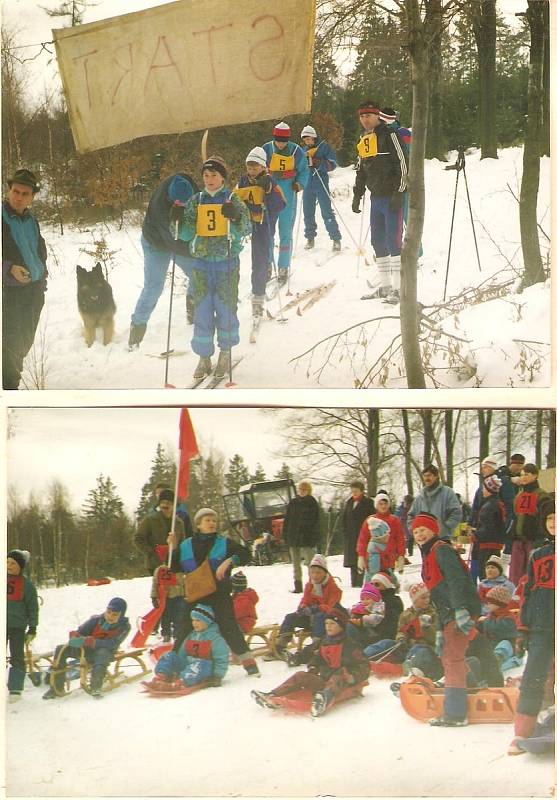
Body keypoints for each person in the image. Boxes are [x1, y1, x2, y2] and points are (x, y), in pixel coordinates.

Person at [177, 156, 251, 380]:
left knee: (226, 308)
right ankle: (204, 356)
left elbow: (246, 228)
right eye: (206, 176)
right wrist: (177, 220)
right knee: (202, 311)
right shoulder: (196, 200)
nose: (209, 180)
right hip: (201, 263)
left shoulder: (232, 199)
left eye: (214, 175)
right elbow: (185, 234)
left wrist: (236, 217)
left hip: (226, 262)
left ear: (222, 178)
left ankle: (226, 352)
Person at [169, 507, 260, 676]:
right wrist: (172, 547)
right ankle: (172, 665)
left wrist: (229, 561)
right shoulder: (186, 545)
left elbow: (246, 554)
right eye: (207, 520)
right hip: (196, 594)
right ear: (198, 524)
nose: (212, 523)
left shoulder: (223, 542)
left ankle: (249, 663)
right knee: (184, 627)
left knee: (228, 626)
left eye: (214, 520)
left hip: (219, 593)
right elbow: (172, 568)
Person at [411, 512, 481, 726]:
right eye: (415, 531)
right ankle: (468, 688)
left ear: (434, 530)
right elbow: (439, 597)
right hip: (449, 612)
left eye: (423, 529)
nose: (419, 534)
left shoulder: (441, 550)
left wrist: (461, 610)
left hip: (460, 610)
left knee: (452, 657)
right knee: (449, 655)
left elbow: (457, 580)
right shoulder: (428, 555)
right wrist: (440, 628)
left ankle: (455, 713)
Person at [251, 607, 370, 717]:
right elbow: (317, 659)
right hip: (325, 680)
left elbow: (365, 666)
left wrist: (352, 677)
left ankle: (323, 700)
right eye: (326, 623)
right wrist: (313, 667)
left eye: (332, 624)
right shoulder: (325, 641)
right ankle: (273, 695)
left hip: (344, 681)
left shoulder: (351, 645)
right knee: (300, 675)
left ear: (341, 626)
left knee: (337, 675)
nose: (328, 627)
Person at [128, 172, 197, 349]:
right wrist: (195, 249)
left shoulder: (188, 184)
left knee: (197, 273)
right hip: (156, 243)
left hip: (178, 237)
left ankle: (193, 309)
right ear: (171, 199)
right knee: (154, 286)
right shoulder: (161, 207)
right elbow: (175, 243)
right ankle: (137, 328)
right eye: (180, 204)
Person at [508, 494, 555, 755]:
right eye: (550, 517)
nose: (554, 522)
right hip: (541, 628)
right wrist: (523, 627)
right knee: (533, 677)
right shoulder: (539, 555)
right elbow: (527, 593)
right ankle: (522, 732)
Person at [351, 100, 408, 303]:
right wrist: (357, 194)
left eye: (369, 116)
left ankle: (399, 289)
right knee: (377, 241)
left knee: (394, 241)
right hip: (376, 198)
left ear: (377, 116)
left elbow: (402, 163)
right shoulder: (364, 138)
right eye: (362, 116)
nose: (365, 120)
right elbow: (361, 169)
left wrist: (399, 192)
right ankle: (385, 287)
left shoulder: (390, 135)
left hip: (391, 196)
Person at [2, 169, 48, 389]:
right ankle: (9, 391)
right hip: (9, 293)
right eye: (15, 191)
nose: (18, 197)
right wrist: (9, 269)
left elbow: (40, 250)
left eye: (24, 193)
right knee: (10, 343)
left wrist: (42, 279)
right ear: (8, 190)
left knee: (24, 342)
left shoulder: (31, 220)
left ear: (32, 197)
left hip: (34, 292)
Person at [234, 147, 286, 320]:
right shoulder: (243, 180)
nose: (251, 171)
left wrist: (270, 191)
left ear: (263, 167)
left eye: (255, 167)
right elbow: (235, 198)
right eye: (249, 167)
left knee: (259, 261)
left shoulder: (269, 180)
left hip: (263, 224)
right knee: (235, 256)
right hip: (245, 223)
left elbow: (281, 204)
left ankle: (258, 298)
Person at [43, 598, 130, 699]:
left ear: (121, 615)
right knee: (60, 649)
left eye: (114, 614)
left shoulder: (124, 627)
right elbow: (81, 631)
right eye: (108, 612)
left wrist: (93, 642)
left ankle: (95, 687)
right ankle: (56, 687)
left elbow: (113, 643)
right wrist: (75, 636)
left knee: (102, 653)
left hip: (105, 652)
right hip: (85, 650)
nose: (110, 616)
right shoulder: (95, 620)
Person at [262, 122, 310, 284]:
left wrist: (299, 184)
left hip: (288, 192)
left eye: (283, 141)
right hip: (269, 192)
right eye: (278, 140)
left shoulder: (296, 151)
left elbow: (304, 170)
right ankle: (267, 264)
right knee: (268, 230)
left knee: (285, 230)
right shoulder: (267, 149)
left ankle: (283, 266)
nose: (280, 144)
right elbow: (257, 168)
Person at [364, 583, 439, 678]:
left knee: (418, 648)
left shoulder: (434, 614)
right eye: (423, 598)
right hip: (406, 646)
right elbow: (400, 631)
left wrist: (426, 627)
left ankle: (406, 669)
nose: (427, 600)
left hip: (426, 648)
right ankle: (362, 658)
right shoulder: (406, 615)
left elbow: (435, 638)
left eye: (428, 597)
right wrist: (401, 638)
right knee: (386, 643)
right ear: (414, 600)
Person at [275, 554, 343, 657]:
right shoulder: (309, 586)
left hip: (326, 621)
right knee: (290, 617)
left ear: (325, 573)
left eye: (318, 572)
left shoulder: (334, 589)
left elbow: (331, 608)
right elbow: (305, 600)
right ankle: (280, 645)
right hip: (310, 618)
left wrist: (316, 608)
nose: (315, 575)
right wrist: (302, 607)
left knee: (319, 616)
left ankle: (316, 645)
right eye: (312, 572)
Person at [153, 603, 230, 687]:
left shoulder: (216, 639)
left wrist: (217, 676)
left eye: (198, 620)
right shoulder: (191, 635)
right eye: (193, 620)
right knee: (170, 655)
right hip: (189, 667)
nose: (194, 623)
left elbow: (221, 659)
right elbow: (182, 653)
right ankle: (162, 675)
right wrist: (175, 663)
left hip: (205, 670)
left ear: (207, 621)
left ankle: (182, 682)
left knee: (201, 663)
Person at [299, 124, 341, 252]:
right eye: (305, 140)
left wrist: (320, 163)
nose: (307, 142)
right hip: (308, 182)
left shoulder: (324, 147)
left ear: (314, 137)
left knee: (326, 210)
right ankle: (310, 238)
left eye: (309, 139)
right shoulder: (303, 150)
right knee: (307, 211)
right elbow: (299, 165)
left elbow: (333, 164)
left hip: (320, 180)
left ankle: (335, 238)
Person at [509, 463, 549, 586]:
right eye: (521, 475)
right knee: (516, 572)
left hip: (533, 539)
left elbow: (544, 517)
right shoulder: (519, 496)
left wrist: (539, 536)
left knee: (530, 571)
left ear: (535, 475)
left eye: (527, 474)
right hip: (518, 540)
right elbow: (515, 516)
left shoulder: (541, 495)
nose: (523, 477)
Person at [7, 549, 39, 703]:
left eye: (13, 563)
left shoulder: (27, 585)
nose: (9, 565)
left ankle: (15, 688)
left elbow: (33, 608)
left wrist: (33, 627)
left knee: (17, 656)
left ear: (20, 566)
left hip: (17, 627)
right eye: (7, 562)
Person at [134, 489, 185, 574]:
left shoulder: (179, 523)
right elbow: (138, 539)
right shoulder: (150, 520)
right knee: (158, 586)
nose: (165, 505)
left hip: (174, 564)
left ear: (174, 505)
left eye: (168, 503)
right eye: (163, 502)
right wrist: (151, 552)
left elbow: (182, 542)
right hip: (155, 565)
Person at [283, 480, 321, 593]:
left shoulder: (312, 503)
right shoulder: (293, 503)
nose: (301, 492)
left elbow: (316, 522)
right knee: (295, 564)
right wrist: (285, 535)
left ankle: (313, 585)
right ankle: (298, 585)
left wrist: (315, 537)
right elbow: (288, 520)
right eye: (300, 489)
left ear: (308, 491)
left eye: (304, 490)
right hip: (293, 537)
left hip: (307, 538)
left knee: (310, 563)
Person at [357, 490, 406, 577]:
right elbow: (363, 540)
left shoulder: (394, 520)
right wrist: (361, 556)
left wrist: (401, 556)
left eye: (385, 503)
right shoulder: (371, 520)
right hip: (373, 559)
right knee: (374, 581)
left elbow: (400, 539)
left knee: (388, 581)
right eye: (381, 504)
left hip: (389, 558)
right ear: (376, 505)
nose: (383, 506)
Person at [407, 465, 462, 542]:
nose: (426, 478)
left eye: (429, 475)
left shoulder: (447, 493)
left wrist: (445, 528)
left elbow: (456, 513)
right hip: (424, 541)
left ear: (436, 476)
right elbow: (411, 516)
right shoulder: (419, 498)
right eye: (424, 476)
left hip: (442, 538)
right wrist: (415, 530)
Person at [468, 475, 507, 582]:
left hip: (486, 545)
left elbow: (487, 527)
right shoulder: (497, 503)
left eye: (484, 488)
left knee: (485, 573)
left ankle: (486, 593)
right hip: (496, 544)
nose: (482, 490)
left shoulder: (488, 506)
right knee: (494, 571)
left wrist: (475, 534)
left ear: (490, 489)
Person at [338, 480, 375, 588]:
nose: (354, 493)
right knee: (353, 562)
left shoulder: (368, 502)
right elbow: (344, 519)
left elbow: (371, 518)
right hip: (351, 538)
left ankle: (363, 583)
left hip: (363, 536)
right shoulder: (349, 502)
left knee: (362, 560)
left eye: (356, 491)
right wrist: (345, 532)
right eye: (352, 491)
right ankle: (354, 584)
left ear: (361, 491)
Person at [476, 586, 520, 672]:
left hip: (506, 649)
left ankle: (496, 661)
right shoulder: (491, 616)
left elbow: (496, 629)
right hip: (490, 648)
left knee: (505, 644)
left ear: (499, 604)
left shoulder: (509, 619)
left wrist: (484, 621)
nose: (487, 605)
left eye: (490, 603)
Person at [151, 563, 186, 642]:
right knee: (166, 617)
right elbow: (155, 584)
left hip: (180, 596)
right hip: (166, 597)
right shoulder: (160, 569)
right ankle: (166, 634)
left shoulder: (182, 567)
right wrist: (154, 597)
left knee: (178, 616)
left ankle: (177, 634)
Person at [347, 582, 385, 650]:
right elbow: (349, 611)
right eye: (362, 599)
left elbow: (376, 618)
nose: (365, 601)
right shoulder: (358, 606)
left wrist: (362, 620)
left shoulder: (378, 606)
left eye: (368, 599)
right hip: (358, 628)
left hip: (371, 632)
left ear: (375, 599)